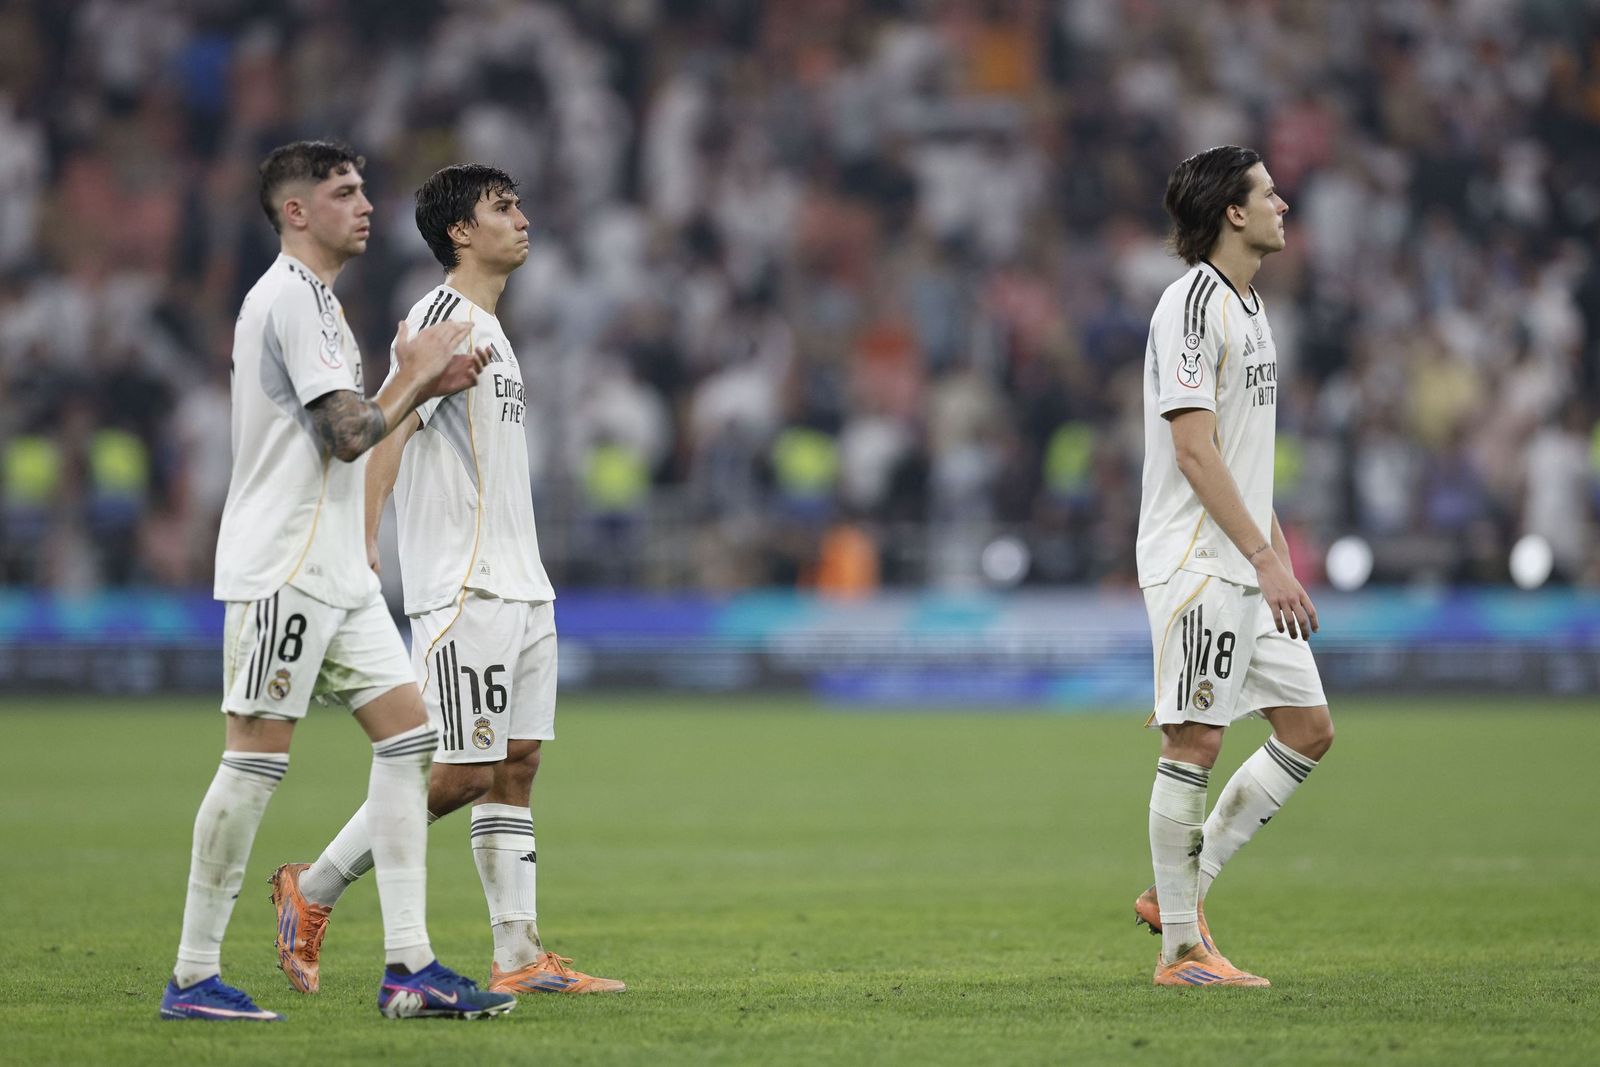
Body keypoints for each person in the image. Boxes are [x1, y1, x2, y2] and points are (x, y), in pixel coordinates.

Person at [159, 141, 515, 1022]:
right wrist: (417, 374)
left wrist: (417, 377)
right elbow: (350, 432)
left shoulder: (320, 303)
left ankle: (410, 968)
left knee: (409, 739)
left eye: (363, 190)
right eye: (344, 192)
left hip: (335, 572)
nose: (365, 205)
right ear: (295, 211)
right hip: (283, 565)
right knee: (253, 761)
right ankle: (193, 973)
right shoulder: (288, 298)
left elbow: (355, 423)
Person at [269, 163, 625, 998]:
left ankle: (519, 955)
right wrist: (363, 540)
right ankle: (309, 889)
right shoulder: (439, 321)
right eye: (504, 207)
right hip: (462, 585)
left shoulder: (491, 328)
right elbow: (387, 428)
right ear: (461, 232)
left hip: (519, 581)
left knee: (517, 763)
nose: (522, 218)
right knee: (461, 771)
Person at [1131, 146, 1335, 988]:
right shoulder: (1189, 306)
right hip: (1197, 559)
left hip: (1250, 562)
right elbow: (1192, 448)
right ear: (1234, 214)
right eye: (1268, 192)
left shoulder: (1251, 307)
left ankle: (1176, 894)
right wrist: (1260, 555)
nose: (1284, 201)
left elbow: (1243, 457)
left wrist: (1277, 558)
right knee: (1196, 739)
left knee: (1308, 728)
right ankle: (1182, 952)